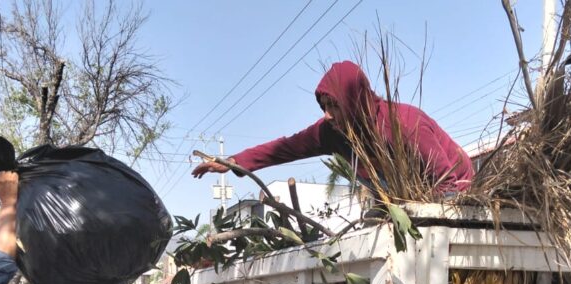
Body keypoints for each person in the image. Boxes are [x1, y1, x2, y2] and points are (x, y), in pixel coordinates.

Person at [192, 60, 473, 194]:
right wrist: (233, 162)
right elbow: (284, 148)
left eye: (334, 105)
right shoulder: (333, 132)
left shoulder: (403, 126)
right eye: (323, 106)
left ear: (354, 101)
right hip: (405, 193)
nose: (327, 115)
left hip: (456, 186)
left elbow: (446, 183)